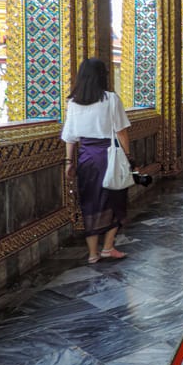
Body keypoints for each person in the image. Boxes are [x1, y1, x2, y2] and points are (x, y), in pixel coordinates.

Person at [61, 58, 130, 265]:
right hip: (108, 156)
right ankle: (108, 247)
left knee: (90, 202)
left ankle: (92, 253)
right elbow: (122, 132)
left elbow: (70, 136)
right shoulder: (110, 99)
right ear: (102, 76)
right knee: (115, 198)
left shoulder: (72, 102)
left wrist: (68, 162)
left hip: (85, 157)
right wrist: (128, 157)